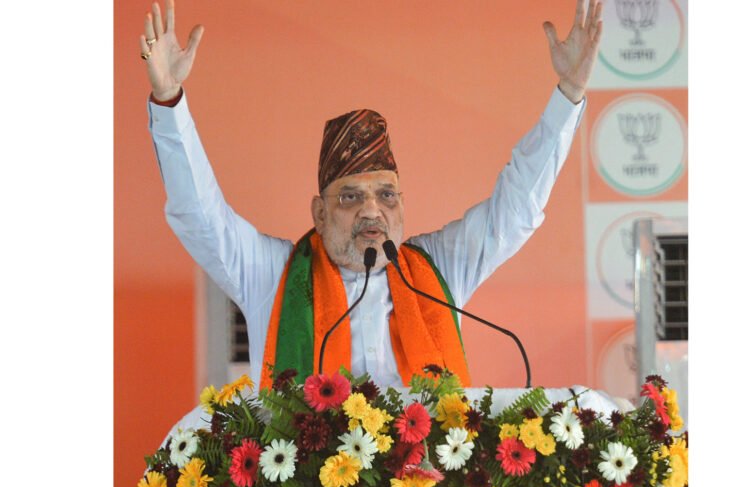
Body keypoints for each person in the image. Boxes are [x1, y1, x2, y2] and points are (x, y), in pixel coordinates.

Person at [141, 0, 603, 390]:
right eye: (349, 198)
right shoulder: (272, 276)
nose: (371, 210)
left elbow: (516, 209)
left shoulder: (440, 271)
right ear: (319, 214)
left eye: (386, 194)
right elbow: (201, 217)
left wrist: (569, 95)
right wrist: (169, 101)